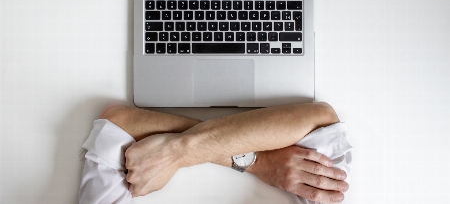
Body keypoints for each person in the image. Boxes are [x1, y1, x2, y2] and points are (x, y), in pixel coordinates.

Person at [79, 102, 352, 204]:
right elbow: (320, 119)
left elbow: (118, 123)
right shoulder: (321, 190)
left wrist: (181, 152)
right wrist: (260, 162)